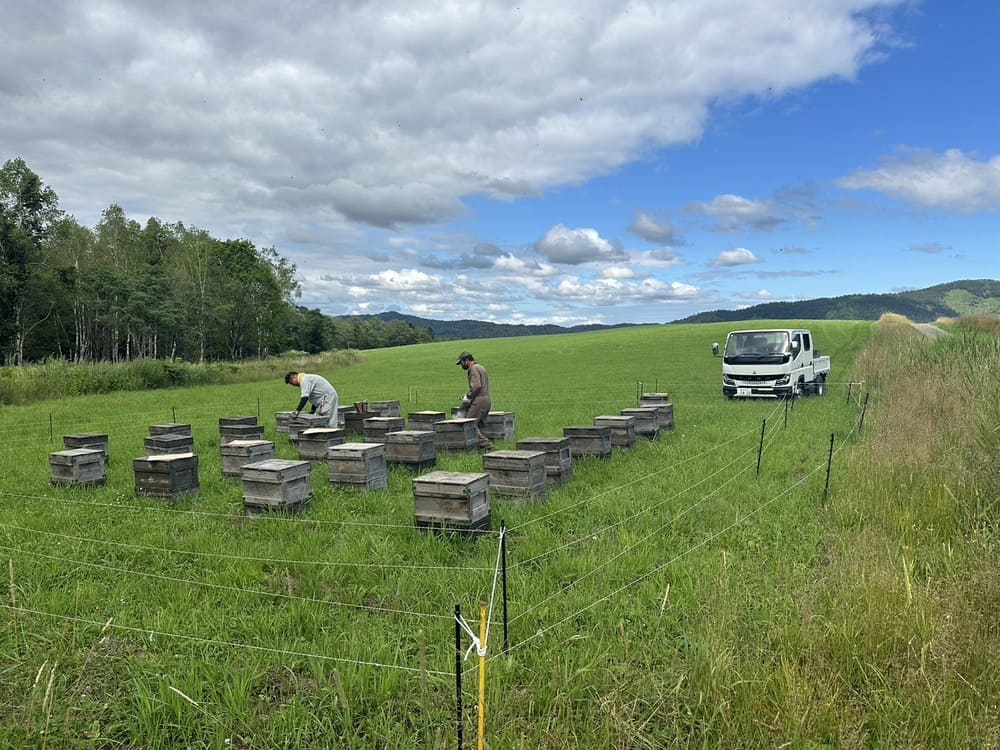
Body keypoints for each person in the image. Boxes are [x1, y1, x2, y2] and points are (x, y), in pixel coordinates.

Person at [456, 351, 492, 450]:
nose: (461, 366)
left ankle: (486, 445)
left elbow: (476, 386)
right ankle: (481, 449)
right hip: (487, 399)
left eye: (462, 363)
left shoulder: (473, 369)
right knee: (480, 425)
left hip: (479, 401)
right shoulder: (481, 367)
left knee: (469, 424)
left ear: (467, 361)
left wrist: (468, 397)